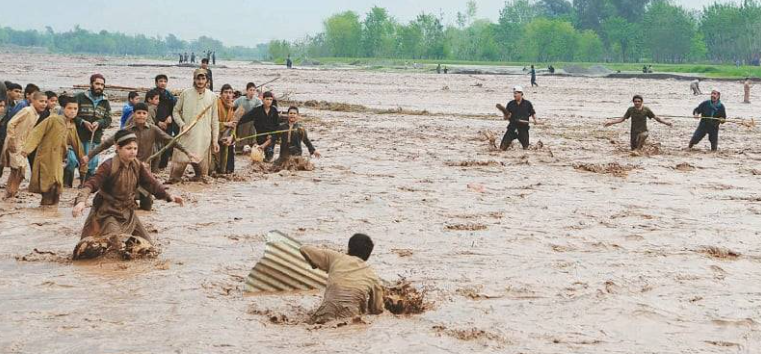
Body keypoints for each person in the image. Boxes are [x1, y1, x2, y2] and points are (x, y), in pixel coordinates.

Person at [71, 129, 185, 260]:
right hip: (107, 213)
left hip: (128, 212)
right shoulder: (108, 166)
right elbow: (91, 184)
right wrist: (81, 201)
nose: (133, 151)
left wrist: (169, 196)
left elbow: (151, 183)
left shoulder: (137, 165)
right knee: (115, 247)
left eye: (135, 148)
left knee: (148, 249)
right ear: (118, 148)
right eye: (128, 148)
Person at [86, 103, 197, 209]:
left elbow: (171, 141)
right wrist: (88, 157)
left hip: (143, 171)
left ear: (147, 115)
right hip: (125, 169)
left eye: (144, 113)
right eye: (138, 113)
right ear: (133, 114)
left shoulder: (153, 129)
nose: (141, 115)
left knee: (147, 205)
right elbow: (106, 144)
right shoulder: (125, 131)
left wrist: (187, 152)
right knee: (123, 199)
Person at [299, 233, 384, 324]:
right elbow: (377, 310)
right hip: (351, 318)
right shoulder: (372, 276)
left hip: (326, 313)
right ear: (368, 255)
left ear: (349, 248)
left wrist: (315, 265)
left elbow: (304, 249)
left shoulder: (335, 257)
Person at [21, 97, 87, 206]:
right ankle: (44, 210)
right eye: (70, 108)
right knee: (47, 188)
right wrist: (27, 149)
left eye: (75, 109)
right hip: (45, 157)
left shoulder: (71, 125)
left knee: (57, 187)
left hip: (58, 159)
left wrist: (83, 159)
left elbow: (77, 144)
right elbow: (36, 133)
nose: (73, 111)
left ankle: (51, 212)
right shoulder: (53, 120)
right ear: (63, 108)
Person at [169, 69, 219, 183]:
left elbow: (215, 120)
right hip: (186, 136)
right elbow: (175, 112)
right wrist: (182, 125)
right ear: (194, 79)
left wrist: (215, 141)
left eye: (203, 79)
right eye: (198, 78)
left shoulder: (212, 97)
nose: (200, 81)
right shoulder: (185, 93)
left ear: (207, 80)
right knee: (174, 178)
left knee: (201, 179)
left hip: (203, 139)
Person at [1, 92, 47, 198]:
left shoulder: (36, 114)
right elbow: (11, 123)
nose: (43, 104)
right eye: (41, 101)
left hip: (22, 144)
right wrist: (11, 140)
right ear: (33, 101)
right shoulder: (27, 110)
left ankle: (10, 192)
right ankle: (10, 192)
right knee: (19, 170)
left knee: (17, 171)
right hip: (15, 143)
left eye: (45, 101)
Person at [72, 73, 111, 181]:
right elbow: (71, 114)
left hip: (95, 136)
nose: (99, 87)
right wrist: (82, 122)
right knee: (76, 159)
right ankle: (69, 181)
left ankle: (86, 183)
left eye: (102, 85)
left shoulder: (105, 101)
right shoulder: (80, 97)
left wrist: (99, 123)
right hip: (79, 135)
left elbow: (108, 119)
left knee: (92, 162)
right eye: (97, 84)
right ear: (91, 84)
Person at [603, 95, 673, 151]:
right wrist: (611, 122)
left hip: (643, 130)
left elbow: (656, 118)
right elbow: (622, 119)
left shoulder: (646, 109)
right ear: (633, 102)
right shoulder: (630, 109)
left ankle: (639, 150)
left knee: (643, 136)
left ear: (642, 102)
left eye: (639, 101)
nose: (637, 103)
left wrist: (666, 123)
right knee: (633, 149)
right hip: (634, 131)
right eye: (635, 101)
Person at [237, 91, 279, 162]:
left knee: (269, 157)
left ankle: (267, 148)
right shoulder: (257, 110)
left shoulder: (274, 111)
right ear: (263, 100)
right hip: (260, 136)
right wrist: (236, 122)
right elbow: (246, 118)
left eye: (270, 100)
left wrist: (272, 135)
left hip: (271, 137)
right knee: (259, 158)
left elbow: (276, 125)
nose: (269, 101)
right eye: (267, 99)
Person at [498, 86, 539, 150]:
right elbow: (505, 117)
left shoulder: (527, 104)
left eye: (516, 93)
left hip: (523, 129)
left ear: (521, 94)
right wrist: (507, 116)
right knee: (502, 148)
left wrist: (535, 120)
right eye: (514, 93)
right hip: (512, 128)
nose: (514, 95)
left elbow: (533, 113)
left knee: (526, 148)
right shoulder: (510, 104)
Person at [153, 74, 178, 170]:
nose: (163, 83)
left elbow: (175, 108)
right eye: (160, 81)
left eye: (165, 81)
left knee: (166, 144)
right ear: (156, 83)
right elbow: (148, 110)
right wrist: (158, 122)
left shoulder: (169, 95)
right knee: (155, 145)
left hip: (168, 124)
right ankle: (154, 166)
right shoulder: (152, 94)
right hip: (156, 123)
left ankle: (163, 165)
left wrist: (171, 117)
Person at [233, 82, 263, 152]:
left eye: (253, 90)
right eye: (250, 90)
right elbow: (233, 105)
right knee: (240, 141)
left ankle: (255, 149)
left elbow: (261, 110)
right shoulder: (241, 99)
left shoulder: (257, 100)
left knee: (252, 140)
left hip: (252, 123)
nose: (252, 92)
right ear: (247, 90)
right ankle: (239, 149)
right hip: (242, 123)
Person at [215, 84, 236, 175]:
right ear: (221, 94)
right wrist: (225, 124)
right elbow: (211, 123)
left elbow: (234, 125)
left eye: (230, 93)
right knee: (213, 169)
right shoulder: (216, 104)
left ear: (233, 95)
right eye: (226, 92)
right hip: (214, 136)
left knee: (230, 170)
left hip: (226, 136)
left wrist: (231, 137)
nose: (228, 95)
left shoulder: (232, 106)